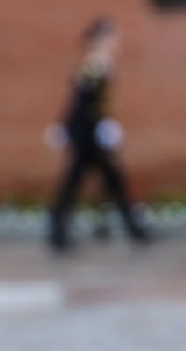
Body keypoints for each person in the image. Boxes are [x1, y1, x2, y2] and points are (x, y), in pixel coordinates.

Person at [47, 19, 147, 252]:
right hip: (87, 135)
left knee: (113, 180)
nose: (117, 42)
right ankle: (58, 231)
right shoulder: (95, 64)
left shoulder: (100, 63)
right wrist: (92, 125)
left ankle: (133, 228)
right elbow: (83, 102)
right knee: (77, 182)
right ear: (101, 39)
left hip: (91, 132)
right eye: (113, 37)